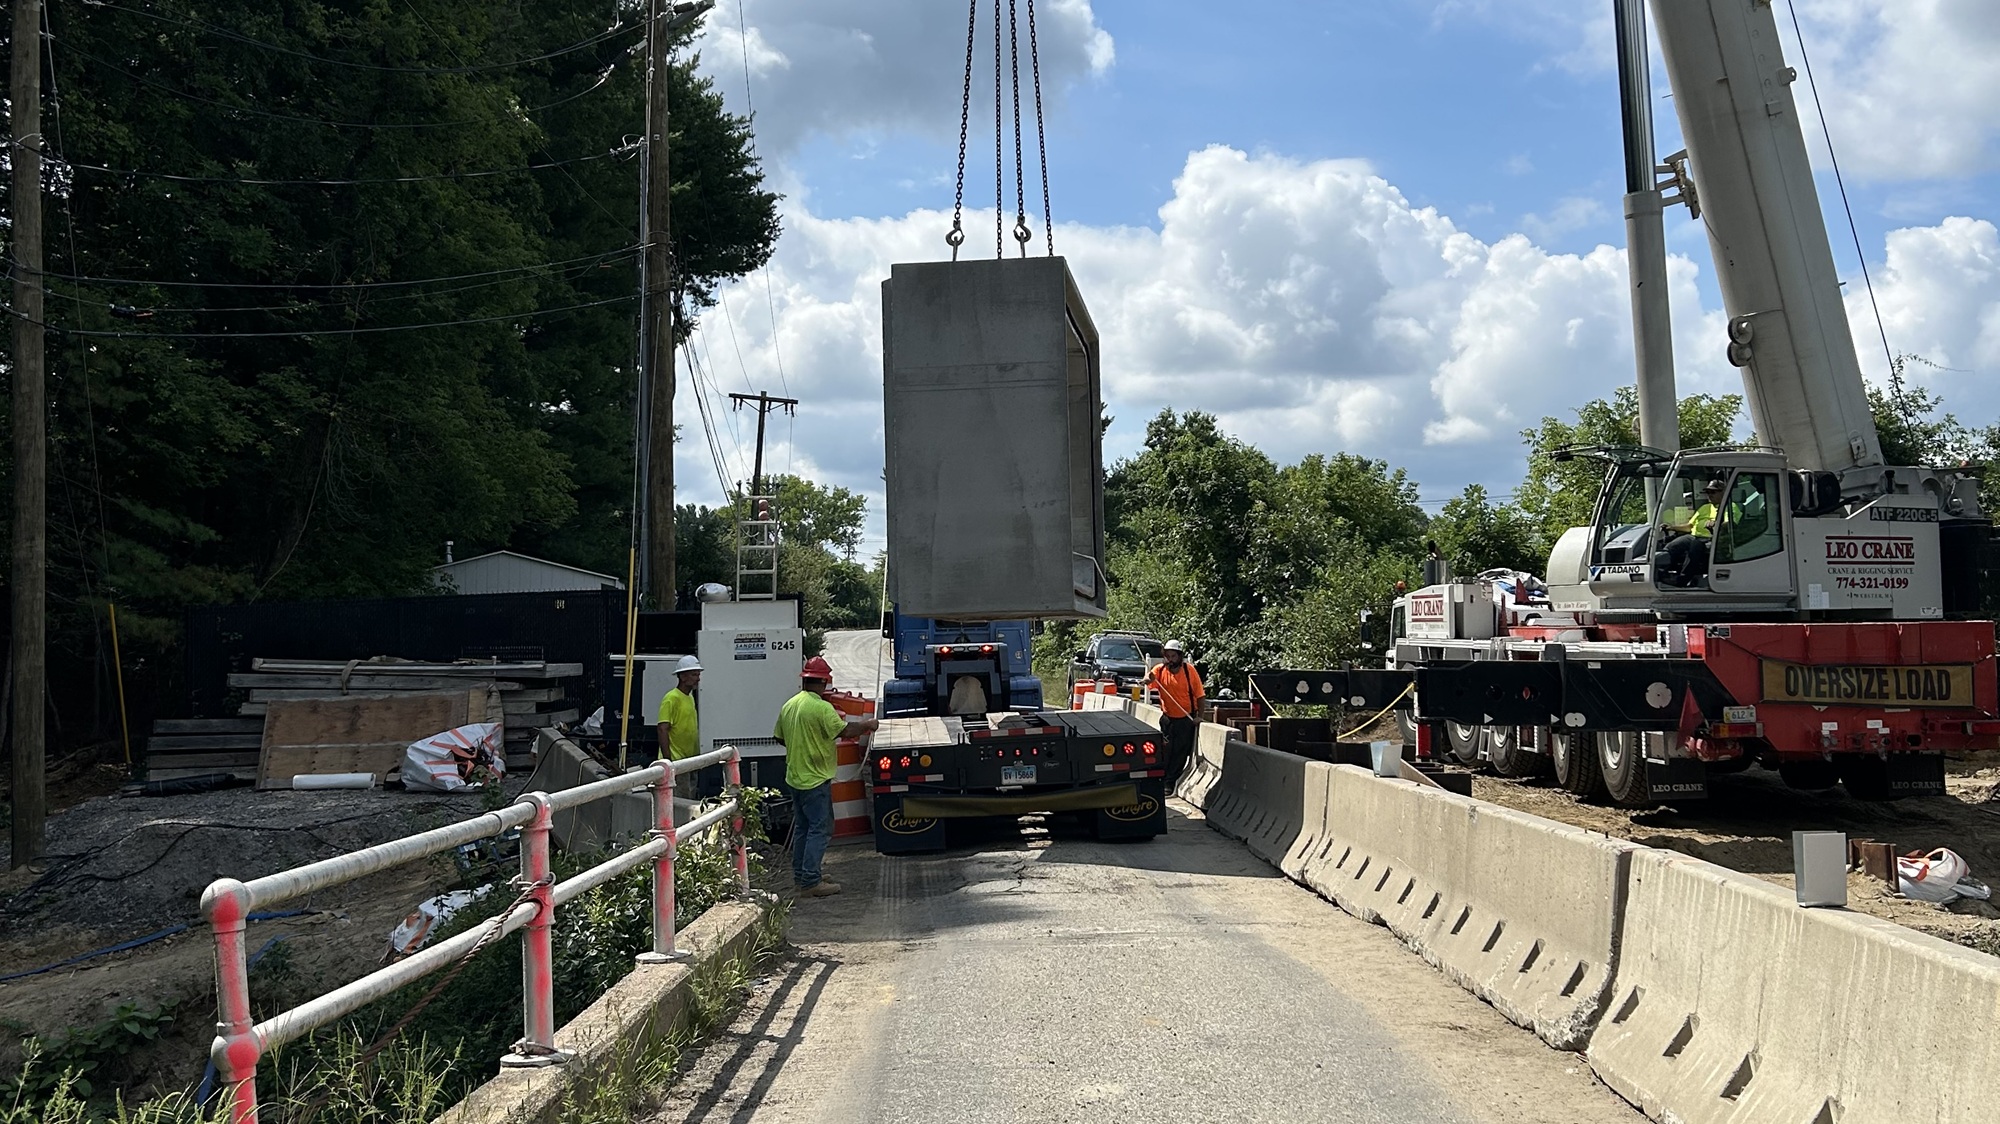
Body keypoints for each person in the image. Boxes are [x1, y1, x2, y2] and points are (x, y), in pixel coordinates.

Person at [774, 655, 878, 898]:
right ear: (823, 682)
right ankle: (811, 880)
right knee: (819, 829)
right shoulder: (822, 708)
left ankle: (803, 875)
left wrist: (802, 741)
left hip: (794, 777)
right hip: (815, 778)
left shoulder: (789, 705)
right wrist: (869, 724)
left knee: (803, 827)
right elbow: (847, 731)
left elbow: (779, 737)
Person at [656, 655, 721, 797]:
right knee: (681, 801)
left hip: (689, 761)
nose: (698, 678)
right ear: (682, 677)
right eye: (694, 674)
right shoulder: (671, 698)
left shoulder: (689, 697)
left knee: (688, 798)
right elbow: (662, 729)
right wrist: (668, 761)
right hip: (677, 762)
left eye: (698, 674)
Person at [1146, 640, 1204, 783]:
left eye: (1173, 656)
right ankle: (1162, 777)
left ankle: (1170, 781)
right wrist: (1147, 679)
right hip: (1167, 719)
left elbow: (1200, 695)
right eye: (1168, 656)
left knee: (1180, 752)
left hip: (1185, 719)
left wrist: (1199, 717)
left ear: (1179, 656)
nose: (1170, 660)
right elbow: (1149, 679)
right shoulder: (1159, 670)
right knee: (1165, 750)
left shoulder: (1189, 671)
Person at [1662, 479, 1726, 586]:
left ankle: (1682, 580)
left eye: (1713, 492)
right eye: (1708, 492)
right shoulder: (1704, 508)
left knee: (1695, 546)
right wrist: (1671, 527)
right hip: (1694, 536)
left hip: (1713, 539)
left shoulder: (1729, 506)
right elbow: (1689, 527)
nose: (1709, 495)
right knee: (1672, 546)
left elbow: (1730, 524)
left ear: (1723, 492)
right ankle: (1663, 573)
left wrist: (1716, 524)